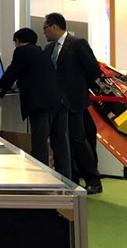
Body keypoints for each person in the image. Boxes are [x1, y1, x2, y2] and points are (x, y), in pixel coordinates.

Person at [0, 27, 71, 179]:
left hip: (40, 104)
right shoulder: (41, 52)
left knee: (39, 144)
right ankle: (65, 180)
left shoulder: (22, 51)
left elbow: (11, 73)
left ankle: (43, 180)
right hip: (58, 101)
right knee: (60, 143)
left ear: (18, 41)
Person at [43, 12, 103, 195]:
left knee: (78, 140)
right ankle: (71, 178)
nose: (44, 32)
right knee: (61, 142)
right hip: (55, 104)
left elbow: (93, 70)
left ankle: (93, 180)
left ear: (54, 26)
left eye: (45, 28)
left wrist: (80, 88)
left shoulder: (77, 44)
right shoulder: (48, 48)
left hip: (75, 102)